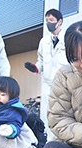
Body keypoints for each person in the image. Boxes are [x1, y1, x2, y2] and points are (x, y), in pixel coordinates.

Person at [24, 8, 68, 139]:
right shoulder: (44, 41)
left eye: (52, 20)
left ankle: (61, 143)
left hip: (64, 84)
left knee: (62, 114)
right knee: (46, 115)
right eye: (47, 20)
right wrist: (35, 68)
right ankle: (47, 143)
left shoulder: (68, 39)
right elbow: (41, 61)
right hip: (47, 85)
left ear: (60, 21)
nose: (49, 23)